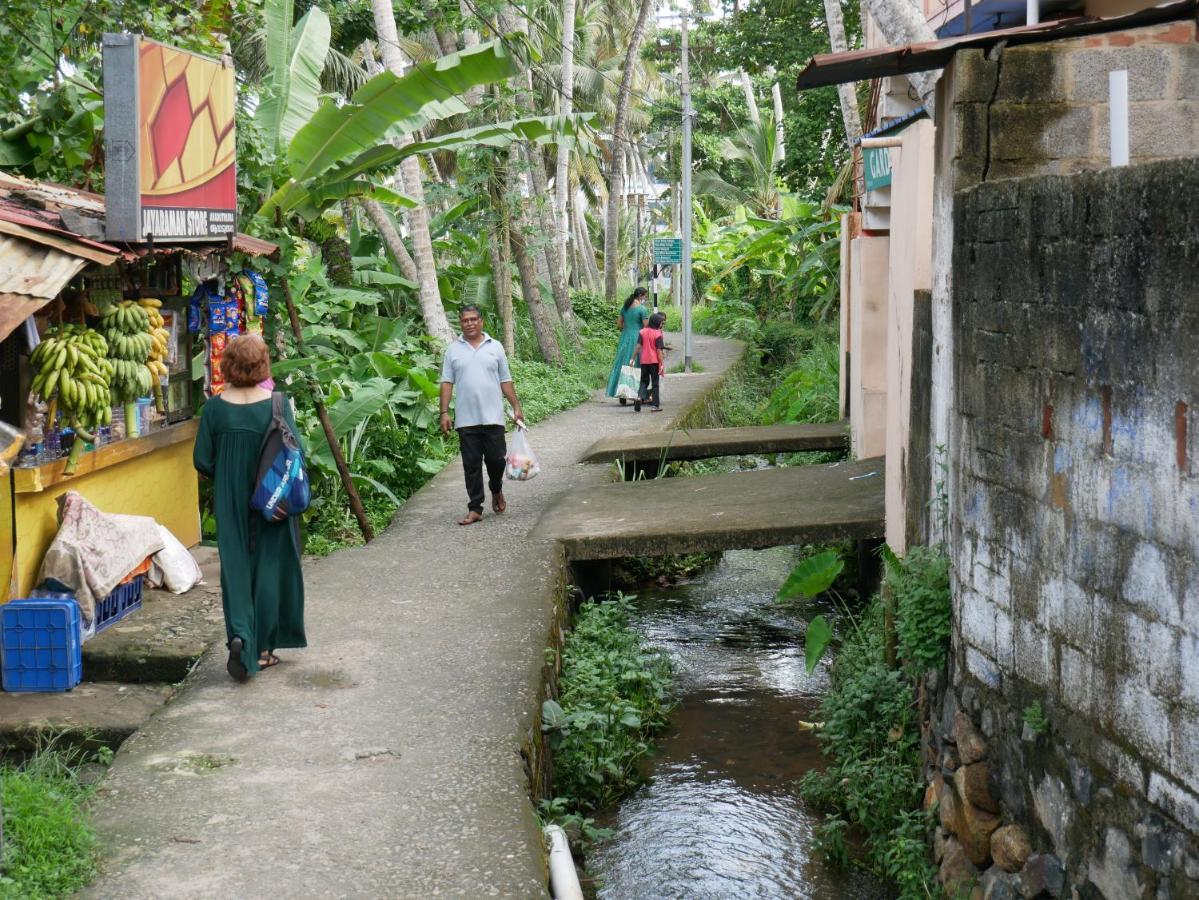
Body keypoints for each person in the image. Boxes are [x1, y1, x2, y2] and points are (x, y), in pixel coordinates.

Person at [193, 334, 306, 683]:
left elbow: (202, 460)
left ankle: (240, 634)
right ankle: (263, 650)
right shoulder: (277, 403)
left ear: (227, 365)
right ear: (263, 365)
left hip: (230, 500)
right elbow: (295, 452)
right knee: (269, 566)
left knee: (236, 568)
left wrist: (229, 475)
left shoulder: (214, 408)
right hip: (271, 499)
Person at [440, 305, 525, 526]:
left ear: (481, 321)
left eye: (473, 319)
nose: (469, 323)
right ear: (460, 323)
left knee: (497, 460)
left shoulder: (495, 347)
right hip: (466, 420)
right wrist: (444, 412)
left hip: (493, 417)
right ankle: (475, 507)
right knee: (471, 464)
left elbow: (505, 379)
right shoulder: (453, 350)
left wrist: (516, 406)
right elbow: (447, 383)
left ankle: (496, 489)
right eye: (465, 320)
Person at [606, 287, 649, 405]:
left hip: (625, 337)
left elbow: (619, 325)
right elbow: (646, 327)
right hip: (638, 337)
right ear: (640, 296)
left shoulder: (625, 307)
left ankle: (622, 393)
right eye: (645, 296)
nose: (645, 298)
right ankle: (639, 394)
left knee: (623, 362)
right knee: (638, 364)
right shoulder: (642, 309)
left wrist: (628, 327)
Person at [634, 311, 667, 413]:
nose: (661, 325)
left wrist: (632, 358)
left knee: (644, 381)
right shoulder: (657, 334)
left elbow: (638, 346)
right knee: (655, 383)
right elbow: (659, 351)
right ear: (656, 322)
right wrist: (661, 364)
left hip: (644, 361)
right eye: (661, 323)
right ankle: (655, 406)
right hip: (654, 361)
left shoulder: (642, 331)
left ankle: (639, 397)